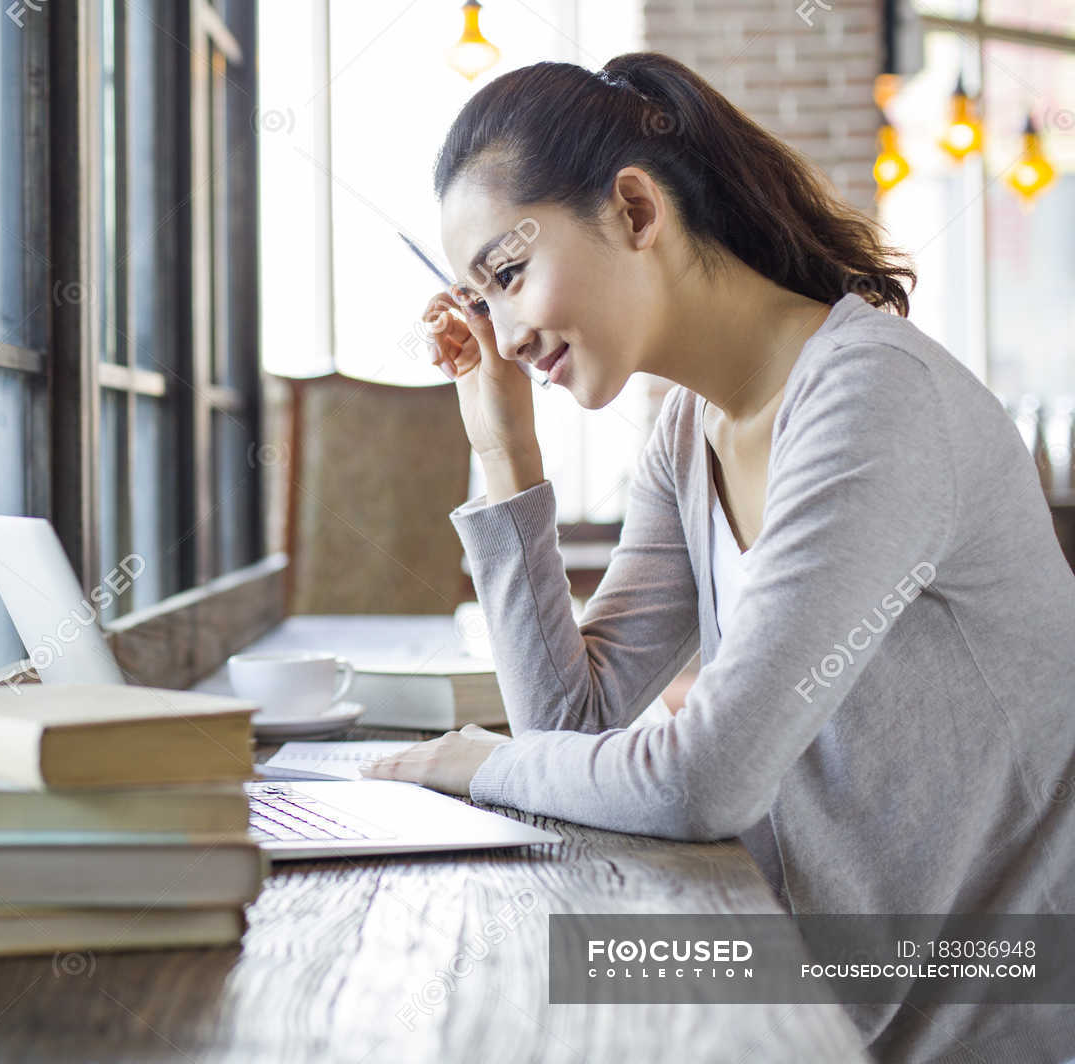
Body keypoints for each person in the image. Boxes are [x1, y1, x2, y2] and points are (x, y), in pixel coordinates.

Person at [359, 52, 1075, 1062]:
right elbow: (570, 720)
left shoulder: (873, 400)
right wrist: (504, 451)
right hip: (830, 986)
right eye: (480, 301)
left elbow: (706, 782)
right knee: (477, 1000)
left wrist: (484, 767)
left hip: (981, 1018)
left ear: (637, 211)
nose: (507, 333)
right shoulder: (689, 432)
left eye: (510, 275)